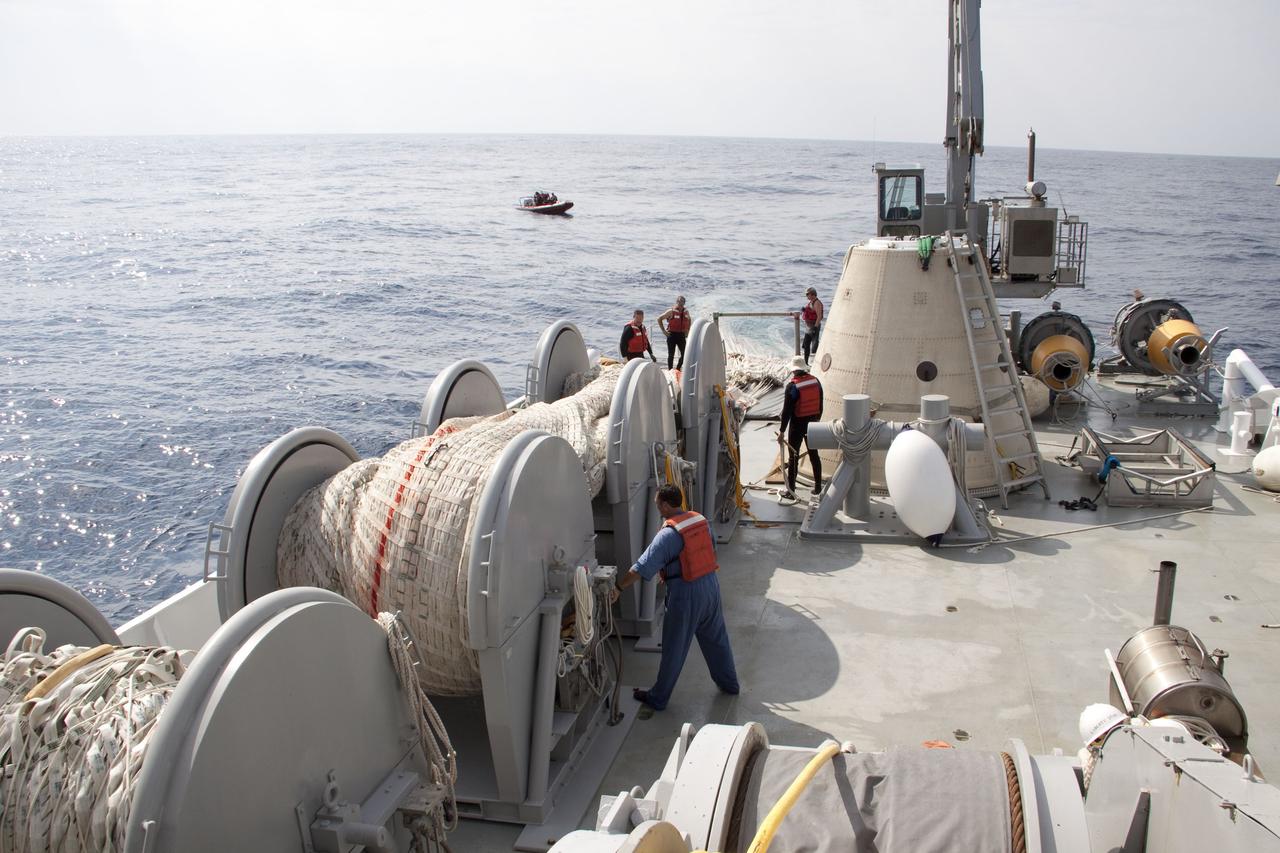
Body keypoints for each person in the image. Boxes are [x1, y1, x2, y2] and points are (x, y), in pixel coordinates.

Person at [616, 484, 739, 710]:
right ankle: (730, 684)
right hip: (710, 587)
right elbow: (709, 552)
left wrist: (618, 587)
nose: (657, 507)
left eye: (657, 504)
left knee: (674, 648)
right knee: (717, 640)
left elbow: (641, 567)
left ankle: (658, 698)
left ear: (664, 504)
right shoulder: (700, 520)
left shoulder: (668, 535)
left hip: (686, 595)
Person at [779, 355, 823, 501]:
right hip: (812, 423)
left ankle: (791, 491)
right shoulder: (816, 381)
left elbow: (787, 412)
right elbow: (820, 404)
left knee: (793, 457)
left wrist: (782, 431)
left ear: (794, 371)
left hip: (797, 424)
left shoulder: (792, 387)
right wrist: (816, 420)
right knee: (814, 455)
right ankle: (817, 487)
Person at [657, 295, 692, 370]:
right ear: (677, 302)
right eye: (679, 302)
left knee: (685, 354)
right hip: (671, 335)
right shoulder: (671, 311)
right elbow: (659, 318)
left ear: (684, 303)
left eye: (682, 302)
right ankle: (670, 370)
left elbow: (689, 319)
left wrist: (688, 330)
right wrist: (664, 331)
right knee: (671, 355)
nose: (681, 303)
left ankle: (678, 368)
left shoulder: (686, 312)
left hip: (681, 335)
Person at [800, 287, 824, 364]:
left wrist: (815, 328)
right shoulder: (811, 302)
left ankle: (817, 362)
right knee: (806, 345)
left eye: (808, 294)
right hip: (809, 327)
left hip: (814, 326)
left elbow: (819, 316)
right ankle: (806, 363)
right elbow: (810, 311)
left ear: (813, 294)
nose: (806, 296)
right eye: (806, 294)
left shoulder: (817, 303)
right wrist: (804, 310)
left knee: (814, 346)